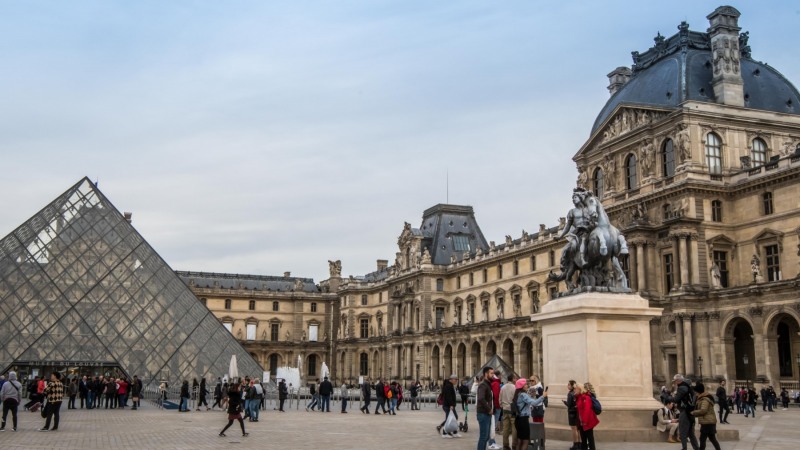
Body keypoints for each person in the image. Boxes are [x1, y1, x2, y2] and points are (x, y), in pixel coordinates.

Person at [513, 377, 548, 450]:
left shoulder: (517, 394)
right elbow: (534, 403)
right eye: (525, 384)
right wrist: (543, 396)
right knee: (525, 441)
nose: (527, 385)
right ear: (521, 386)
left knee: (519, 440)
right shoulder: (523, 395)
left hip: (518, 419)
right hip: (523, 420)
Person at [672, 374, 699, 450]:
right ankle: (696, 448)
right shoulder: (690, 388)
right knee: (691, 433)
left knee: (683, 432)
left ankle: (684, 448)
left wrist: (668, 397)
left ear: (678, 381)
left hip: (684, 412)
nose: (674, 383)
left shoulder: (681, 388)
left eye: (675, 381)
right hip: (691, 412)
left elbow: (676, 399)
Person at [691, 383, 721, 450]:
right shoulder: (703, 398)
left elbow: (703, 410)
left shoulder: (704, 399)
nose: (695, 393)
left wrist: (693, 413)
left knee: (702, 439)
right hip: (708, 421)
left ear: (698, 391)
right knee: (712, 438)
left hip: (707, 422)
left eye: (695, 392)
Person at [575, 384, 599, 450]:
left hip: (587, 422)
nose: (575, 390)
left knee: (590, 439)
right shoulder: (579, 397)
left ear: (580, 389)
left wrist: (584, 421)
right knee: (583, 440)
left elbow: (587, 410)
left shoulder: (586, 397)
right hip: (582, 422)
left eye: (576, 389)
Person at [477, 366, 495, 450]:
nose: (493, 375)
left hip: (486, 413)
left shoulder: (487, 384)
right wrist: (489, 409)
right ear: (485, 374)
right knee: (483, 437)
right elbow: (481, 398)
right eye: (491, 373)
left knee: (486, 436)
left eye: (493, 373)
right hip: (483, 413)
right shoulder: (483, 385)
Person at [500, 373, 519, 450]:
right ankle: (514, 445)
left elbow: (500, 399)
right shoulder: (514, 387)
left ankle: (505, 445)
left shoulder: (503, 387)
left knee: (505, 429)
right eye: (516, 378)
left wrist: (503, 405)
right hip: (512, 410)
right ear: (513, 379)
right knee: (514, 428)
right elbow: (516, 400)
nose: (516, 380)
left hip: (505, 409)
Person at [565, 380, 581, 450]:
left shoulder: (570, 394)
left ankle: (575, 444)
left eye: (568, 384)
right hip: (577, 412)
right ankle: (579, 444)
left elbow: (569, 404)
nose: (567, 386)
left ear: (572, 386)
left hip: (571, 413)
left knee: (574, 429)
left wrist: (565, 403)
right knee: (578, 429)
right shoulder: (576, 393)